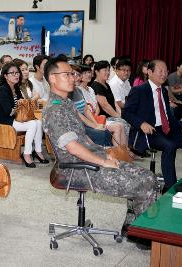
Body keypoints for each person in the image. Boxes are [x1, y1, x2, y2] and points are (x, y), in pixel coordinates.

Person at [42, 56, 158, 250]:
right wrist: (102, 162)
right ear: (53, 78)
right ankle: (141, 235)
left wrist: (105, 152)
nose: (73, 77)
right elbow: (72, 147)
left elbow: (83, 137)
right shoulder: (55, 110)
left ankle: (132, 226)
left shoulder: (66, 103)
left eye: (73, 74)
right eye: (67, 74)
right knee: (144, 182)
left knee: (146, 175)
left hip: (90, 159)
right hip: (77, 168)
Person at [122, 60, 182, 191]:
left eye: (166, 71)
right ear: (150, 72)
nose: (164, 74)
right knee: (170, 146)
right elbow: (126, 112)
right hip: (149, 131)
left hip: (167, 128)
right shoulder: (138, 90)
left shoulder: (164, 91)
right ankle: (170, 187)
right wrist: (141, 123)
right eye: (160, 71)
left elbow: (169, 116)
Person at [0, 62, 48, 168]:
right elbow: (8, 111)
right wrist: (21, 105)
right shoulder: (3, 89)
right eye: (12, 73)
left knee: (38, 122)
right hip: (5, 120)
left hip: (16, 117)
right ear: (5, 76)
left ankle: (38, 151)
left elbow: (21, 106)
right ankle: (26, 154)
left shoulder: (16, 88)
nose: (16, 75)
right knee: (32, 124)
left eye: (17, 73)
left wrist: (22, 106)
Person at [70, 64, 112, 147]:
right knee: (101, 133)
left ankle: (110, 154)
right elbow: (77, 114)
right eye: (75, 74)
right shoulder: (68, 93)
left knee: (106, 131)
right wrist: (94, 125)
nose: (78, 77)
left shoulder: (78, 90)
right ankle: (101, 156)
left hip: (85, 123)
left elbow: (86, 110)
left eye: (79, 74)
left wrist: (96, 123)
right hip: (77, 125)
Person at [92, 60, 130, 140]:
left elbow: (114, 102)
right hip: (104, 117)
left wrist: (119, 114)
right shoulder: (96, 86)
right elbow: (105, 106)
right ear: (97, 72)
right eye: (105, 70)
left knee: (126, 121)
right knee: (124, 123)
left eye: (108, 70)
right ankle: (122, 150)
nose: (108, 72)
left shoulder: (107, 85)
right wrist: (118, 116)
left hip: (112, 115)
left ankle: (125, 149)